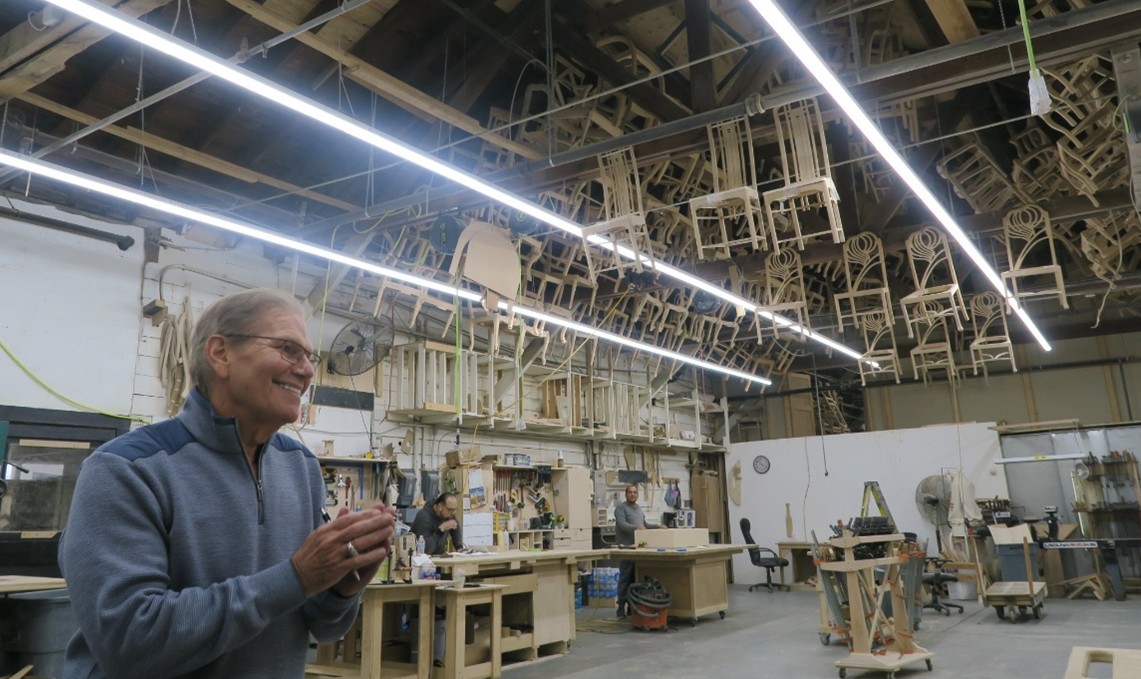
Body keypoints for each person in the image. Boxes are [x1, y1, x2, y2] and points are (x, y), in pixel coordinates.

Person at [59, 288, 396, 679]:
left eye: (310, 356)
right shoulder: (127, 470)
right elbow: (132, 643)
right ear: (220, 353)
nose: (306, 371)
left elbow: (321, 627)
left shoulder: (299, 468)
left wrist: (341, 587)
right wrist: (296, 576)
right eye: (288, 349)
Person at [614, 483, 664, 618]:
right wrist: (636, 527)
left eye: (635, 492)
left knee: (635, 578)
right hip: (626, 549)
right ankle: (621, 606)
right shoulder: (621, 508)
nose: (632, 494)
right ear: (626, 494)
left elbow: (645, 525)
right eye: (630, 492)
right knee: (625, 578)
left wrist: (657, 526)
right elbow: (622, 524)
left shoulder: (638, 509)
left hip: (638, 549)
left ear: (637, 495)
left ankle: (633, 606)